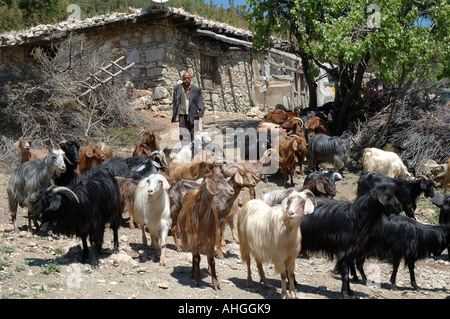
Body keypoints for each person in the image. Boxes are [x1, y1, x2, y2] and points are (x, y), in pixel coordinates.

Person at [172, 72, 205, 146]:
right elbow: (175, 101)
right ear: (182, 79)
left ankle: (194, 148)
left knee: (194, 132)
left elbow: (200, 101)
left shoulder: (196, 89)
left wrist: (200, 112)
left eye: (188, 78)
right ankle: (185, 148)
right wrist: (175, 113)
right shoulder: (177, 88)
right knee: (183, 132)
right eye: (185, 78)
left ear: (190, 78)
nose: (186, 80)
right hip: (182, 114)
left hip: (193, 113)